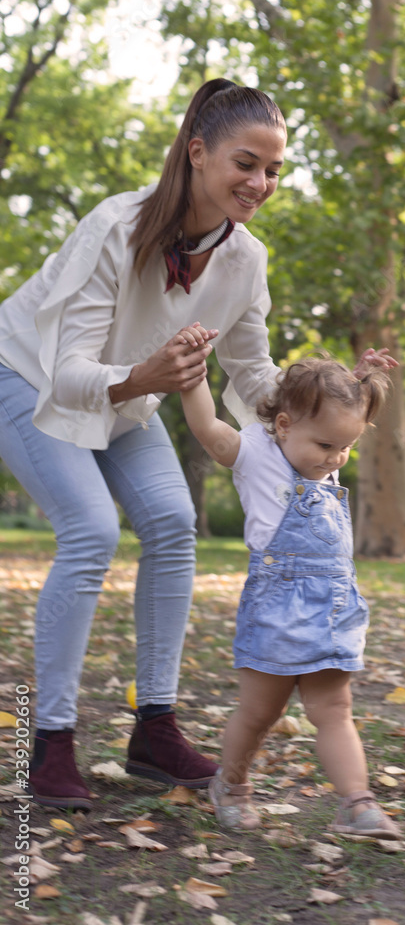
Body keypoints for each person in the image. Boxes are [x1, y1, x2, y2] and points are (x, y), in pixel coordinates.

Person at [0, 77, 293, 810]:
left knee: (170, 523)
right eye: (245, 163)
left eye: (273, 169)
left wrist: (318, 412)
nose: (259, 183)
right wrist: (143, 377)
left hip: (128, 399)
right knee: (91, 530)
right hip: (26, 377)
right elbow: (69, 374)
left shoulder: (244, 258)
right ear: (197, 153)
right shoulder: (115, 226)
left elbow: (251, 370)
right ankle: (50, 745)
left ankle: (153, 731)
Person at [180, 337, 401, 839]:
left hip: (332, 610)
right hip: (276, 610)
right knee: (261, 712)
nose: (336, 458)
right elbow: (207, 428)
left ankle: (356, 802)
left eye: (346, 446)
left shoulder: (322, 457)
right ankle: (230, 785)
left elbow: (334, 411)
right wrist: (193, 378)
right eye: (326, 446)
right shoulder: (258, 455)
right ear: (283, 425)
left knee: (335, 709)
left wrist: (358, 379)